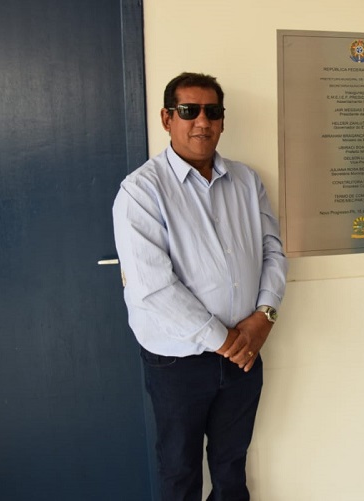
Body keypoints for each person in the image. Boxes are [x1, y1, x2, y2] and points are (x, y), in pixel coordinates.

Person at [112, 72, 288, 501]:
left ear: (223, 121)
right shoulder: (141, 191)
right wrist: (228, 338)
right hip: (179, 362)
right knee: (179, 470)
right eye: (189, 111)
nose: (202, 122)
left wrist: (264, 317)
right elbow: (154, 288)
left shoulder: (247, 181)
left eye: (213, 112)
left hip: (245, 355)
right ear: (167, 118)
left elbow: (273, 252)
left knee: (231, 468)